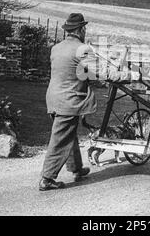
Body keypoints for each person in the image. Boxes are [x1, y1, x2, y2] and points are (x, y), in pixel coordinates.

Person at [39, 13, 128, 191]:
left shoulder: (56, 48)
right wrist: (130, 75)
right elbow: (105, 74)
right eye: (84, 28)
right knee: (60, 140)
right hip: (69, 101)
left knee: (68, 135)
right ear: (80, 30)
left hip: (53, 98)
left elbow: (73, 71)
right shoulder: (83, 49)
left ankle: (76, 168)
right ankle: (47, 179)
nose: (85, 31)